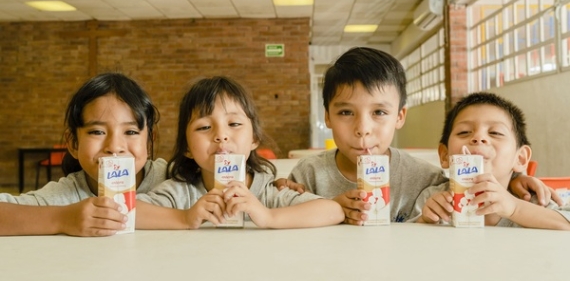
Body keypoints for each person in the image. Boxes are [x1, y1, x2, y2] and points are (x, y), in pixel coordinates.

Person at [275, 47, 559, 225]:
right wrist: (277, 188)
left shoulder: (424, 178)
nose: (363, 128)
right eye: (346, 113)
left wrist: (514, 180)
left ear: (400, 116)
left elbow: (463, 186)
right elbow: (278, 210)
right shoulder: (309, 173)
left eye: (379, 113)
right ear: (327, 116)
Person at [136, 76, 344, 229]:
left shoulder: (265, 191)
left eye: (234, 123)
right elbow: (126, 211)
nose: (221, 135)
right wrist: (184, 217)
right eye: (204, 127)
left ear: (254, 139)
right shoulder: (181, 192)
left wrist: (267, 216)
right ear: (187, 148)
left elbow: (332, 210)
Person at [0, 73, 167, 236]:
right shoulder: (68, 195)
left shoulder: (175, 178)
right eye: (97, 131)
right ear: (73, 143)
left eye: (130, 131)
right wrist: (63, 218)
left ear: (149, 142)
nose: (115, 147)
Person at [414, 92, 570, 229]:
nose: (478, 138)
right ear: (444, 155)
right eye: (464, 132)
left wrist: (515, 208)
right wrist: (425, 221)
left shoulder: (534, 200)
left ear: (520, 158)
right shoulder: (433, 199)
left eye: (495, 132)